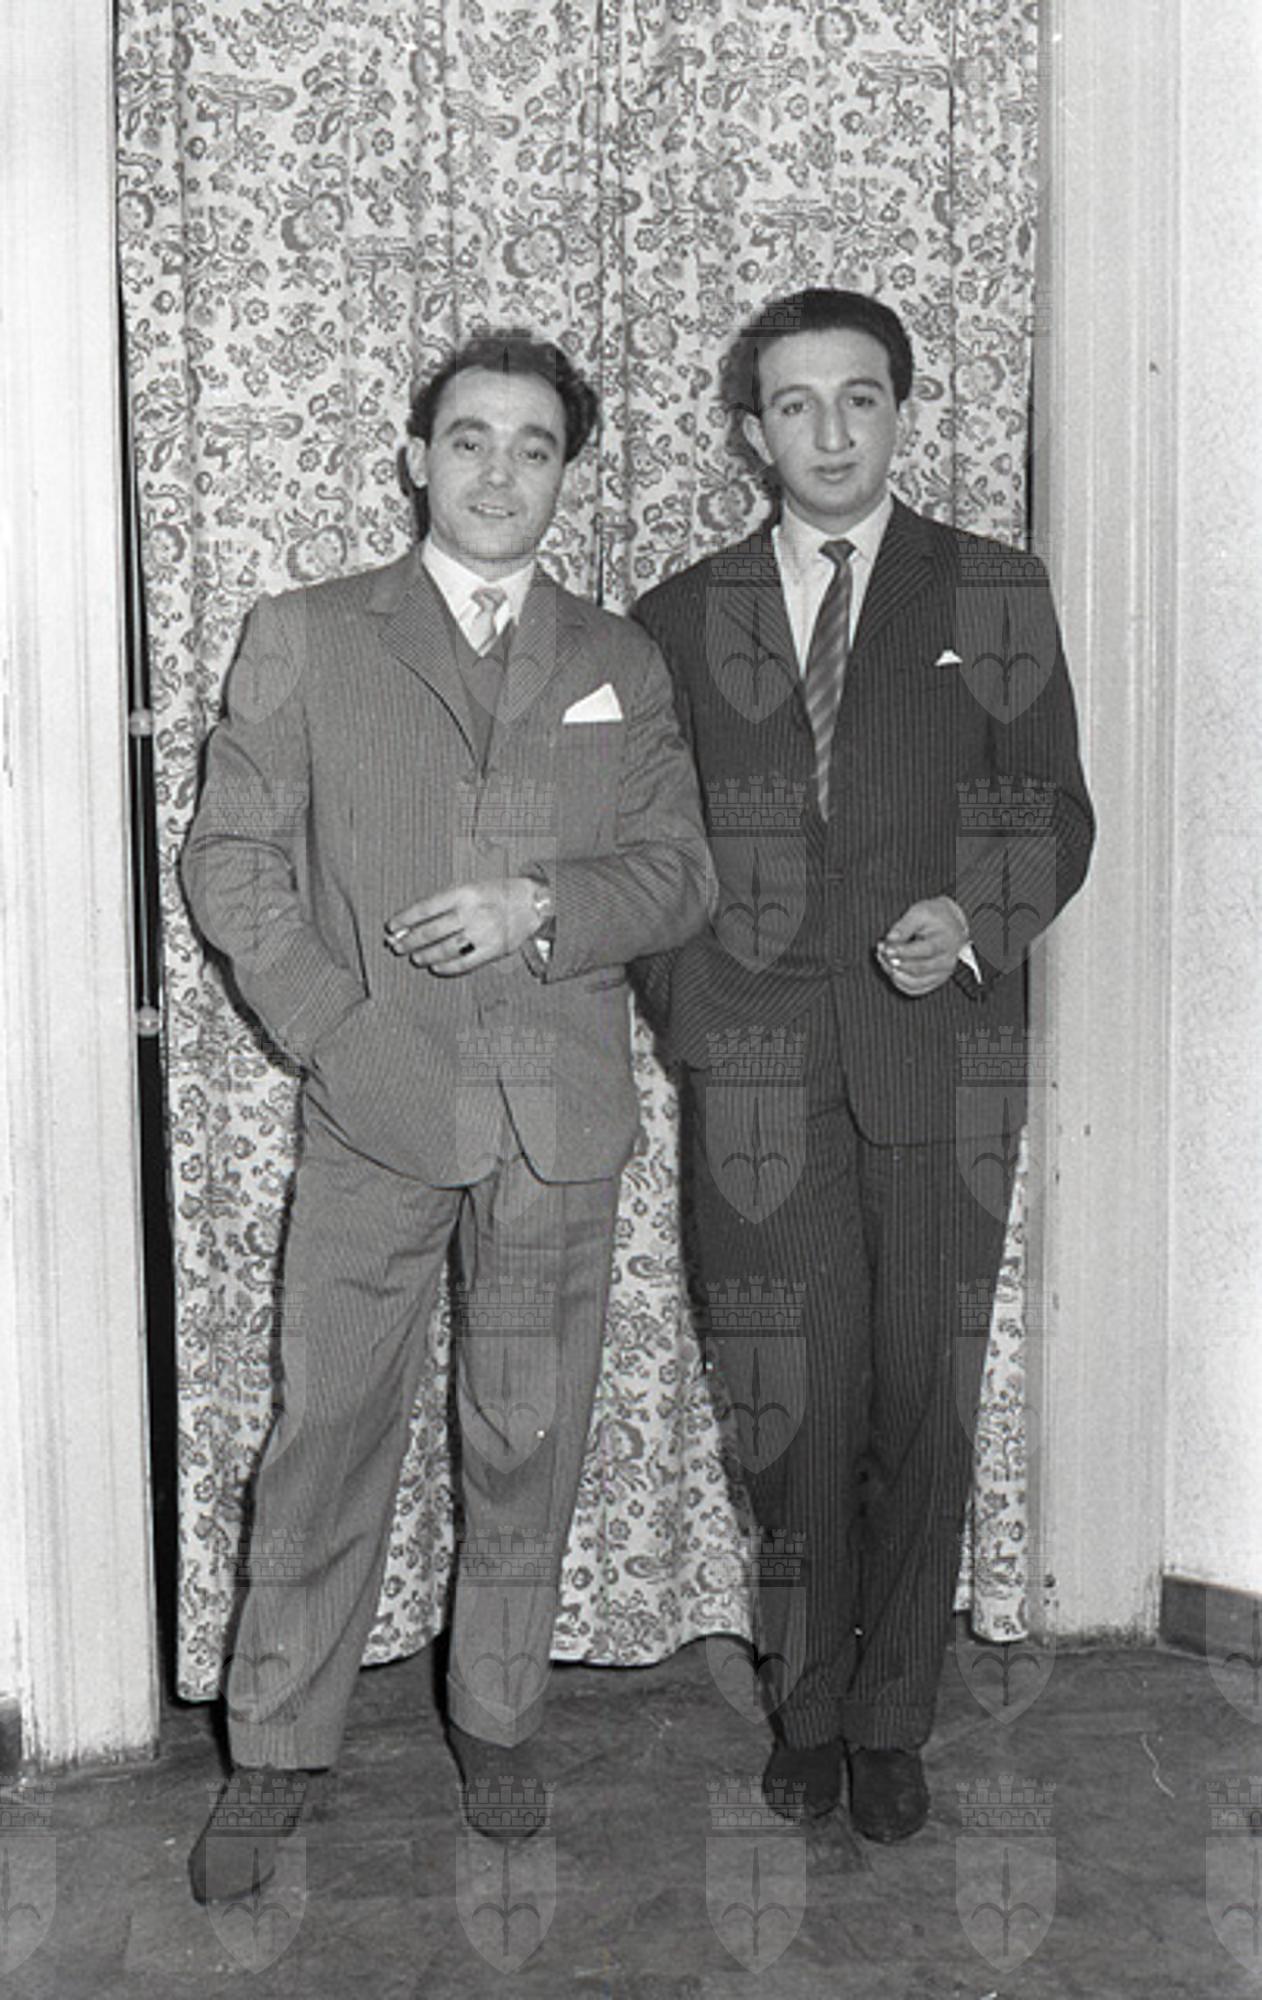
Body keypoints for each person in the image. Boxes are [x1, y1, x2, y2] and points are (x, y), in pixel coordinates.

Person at [182, 330, 712, 1900]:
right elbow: (229, 859)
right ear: (416, 459)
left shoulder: (619, 658)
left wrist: (541, 904)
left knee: (523, 1438)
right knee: (328, 1428)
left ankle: (497, 1719)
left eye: (534, 447)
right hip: (373, 1104)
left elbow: (679, 872)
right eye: (469, 439)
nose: (498, 472)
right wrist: (333, 1032)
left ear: (566, 473)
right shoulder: (305, 634)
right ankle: (278, 1749)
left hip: (556, 1114)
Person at [633, 288, 1093, 1841]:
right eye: (793, 403)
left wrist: (972, 916)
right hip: (756, 1081)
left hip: (940, 1063)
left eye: (858, 399)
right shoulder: (679, 615)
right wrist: (698, 1020)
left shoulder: (992, 587)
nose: (827, 432)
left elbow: (1050, 811)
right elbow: (646, 854)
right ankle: (809, 1707)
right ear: (749, 430)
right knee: (788, 1402)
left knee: (920, 1399)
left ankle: (892, 1715)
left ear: (899, 411)